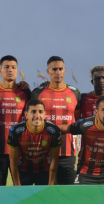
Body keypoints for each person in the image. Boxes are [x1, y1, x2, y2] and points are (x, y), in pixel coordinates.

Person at [31, 56, 81, 185]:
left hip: (68, 152)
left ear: (64, 70)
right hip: (44, 152)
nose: (57, 72)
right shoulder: (37, 93)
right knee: (45, 192)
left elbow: (77, 118)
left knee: (68, 193)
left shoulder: (75, 93)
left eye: (60, 69)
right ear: (48, 71)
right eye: (54, 69)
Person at [0, 55, 30, 186]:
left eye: (13, 67)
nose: (10, 70)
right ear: (0, 70)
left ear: (17, 70)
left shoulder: (25, 92)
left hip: (20, 151)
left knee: (21, 191)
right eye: (6, 67)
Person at [7, 99, 61, 185]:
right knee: (23, 198)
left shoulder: (54, 131)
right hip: (24, 171)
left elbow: (54, 161)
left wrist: (50, 185)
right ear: (26, 115)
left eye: (40, 112)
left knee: (45, 198)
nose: (37, 115)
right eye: (33, 111)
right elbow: (13, 161)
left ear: (44, 114)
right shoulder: (15, 131)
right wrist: (17, 184)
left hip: (45, 171)